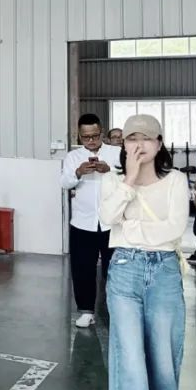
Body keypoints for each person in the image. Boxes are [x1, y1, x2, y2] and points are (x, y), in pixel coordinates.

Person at [99, 114, 188, 390]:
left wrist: (131, 228)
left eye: (147, 138)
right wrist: (130, 180)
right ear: (124, 144)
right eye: (132, 138)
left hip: (164, 272)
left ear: (159, 143)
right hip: (124, 271)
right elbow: (107, 219)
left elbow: (175, 228)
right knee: (130, 359)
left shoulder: (176, 180)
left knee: (164, 362)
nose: (139, 145)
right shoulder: (112, 180)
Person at [60, 113, 122, 328]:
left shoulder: (116, 154)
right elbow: (64, 183)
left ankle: (117, 311)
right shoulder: (73, 157)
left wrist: (109, 171)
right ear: (79, 135)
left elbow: (129, 179)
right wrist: (78, 173)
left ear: (102, 132)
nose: (91, 141)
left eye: (95, 136)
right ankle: (86, 311)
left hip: (112, 222)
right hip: (83, 222)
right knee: (82, 269)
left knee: (114, 270)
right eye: (86, 137)